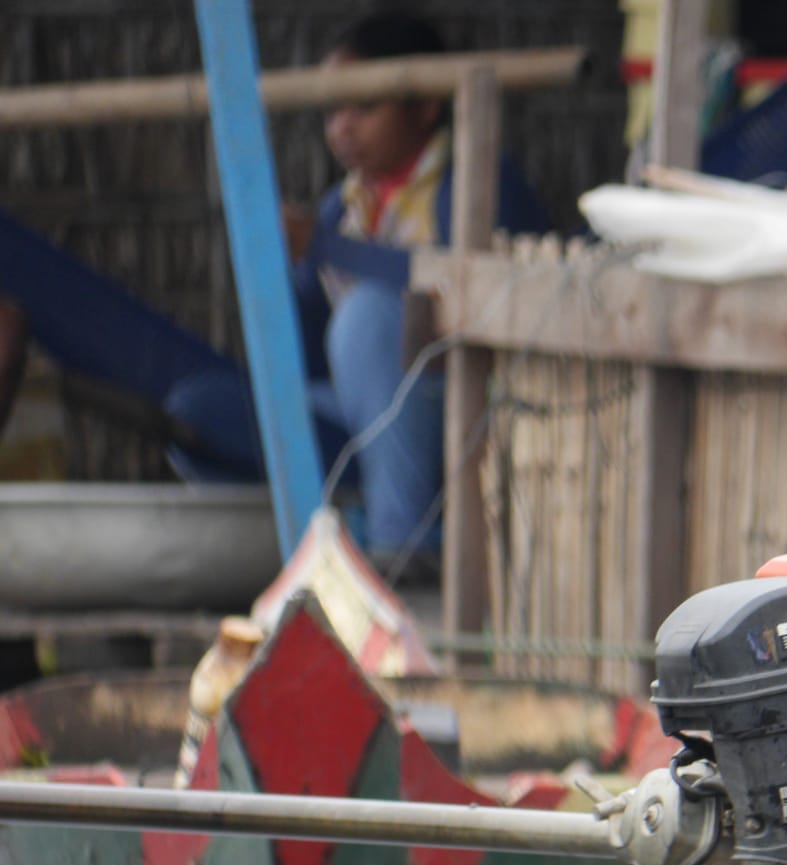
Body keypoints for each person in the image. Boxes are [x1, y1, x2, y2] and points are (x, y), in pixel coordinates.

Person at [165, 9, 546, 577]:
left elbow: (463, 290)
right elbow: (307, 343)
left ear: (425, 106)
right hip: (359, 413)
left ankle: (407, 544)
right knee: (194, 410)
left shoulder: (474, 181)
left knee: (367, 316)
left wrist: (324, 248)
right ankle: (313, 539)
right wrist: (283, 262)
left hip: (471, 410)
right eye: (333, 111)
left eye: (364, 108)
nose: (342, 128)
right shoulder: (344, 206)